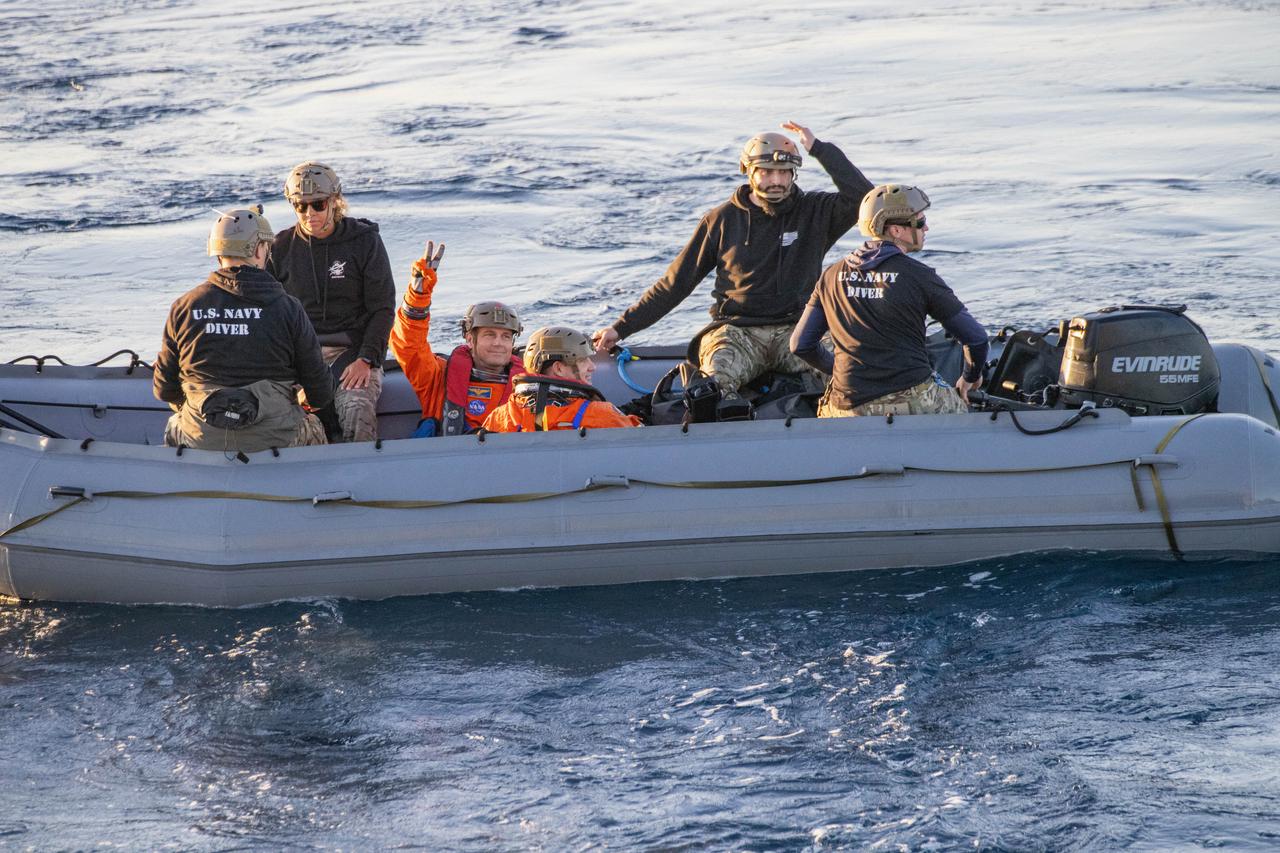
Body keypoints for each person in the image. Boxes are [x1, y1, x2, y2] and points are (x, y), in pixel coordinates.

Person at [592, 121, 874, 412]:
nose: (775, 180)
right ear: (748, 171)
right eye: (766, 172)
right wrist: (621, 328)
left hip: (798, 330)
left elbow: (865, 198)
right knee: (712, 387)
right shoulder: (721, 220)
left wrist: (820, 149)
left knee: (850, 370)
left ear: (794, 174)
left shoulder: (816, 211)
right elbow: (675, 283)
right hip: (737, 333)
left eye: (783, 172)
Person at [790, 184, 988, 416]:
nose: (926, 227)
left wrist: (838, 371)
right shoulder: (920, 276)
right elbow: (976, 339)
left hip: (846, 405)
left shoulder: (831, 274)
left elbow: (800, 345)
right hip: (911, 399)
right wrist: (969, 378)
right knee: (963, 411)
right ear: (895, 230)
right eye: (919, 222)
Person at [153, 207, 334, 452]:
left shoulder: (184, 307)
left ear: (217, 250)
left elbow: (164, 389)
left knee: (175, 423)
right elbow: (320, 393)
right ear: (259, 249)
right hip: (275, 438)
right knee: (313, 426)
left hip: (202, 438)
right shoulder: (287, 308)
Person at [268, 161, 396, 442]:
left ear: (335, 201)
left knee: (355, 408)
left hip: (353, 350)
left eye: (318, 204)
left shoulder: (365, 241)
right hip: (301, 354)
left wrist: (366, 359)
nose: (309, 213)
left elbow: (383, 309)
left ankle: (361, 471)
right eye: (300, 206)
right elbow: (268, 315)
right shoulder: (279, 248)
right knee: (284, 413)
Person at [388, 241, 526, 436]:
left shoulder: (528, 387)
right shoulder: (438, 379)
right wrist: (417, 297)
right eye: (489, 335)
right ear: (470, 339)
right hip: (446, 463)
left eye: (505, 336)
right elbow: (408, 345)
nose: (498, 343)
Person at [482, 327, 642, 432]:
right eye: (583, 360)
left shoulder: (499, 417)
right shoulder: (601, 415)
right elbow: (644, 441)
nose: (592, 367)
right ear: (558, 368)